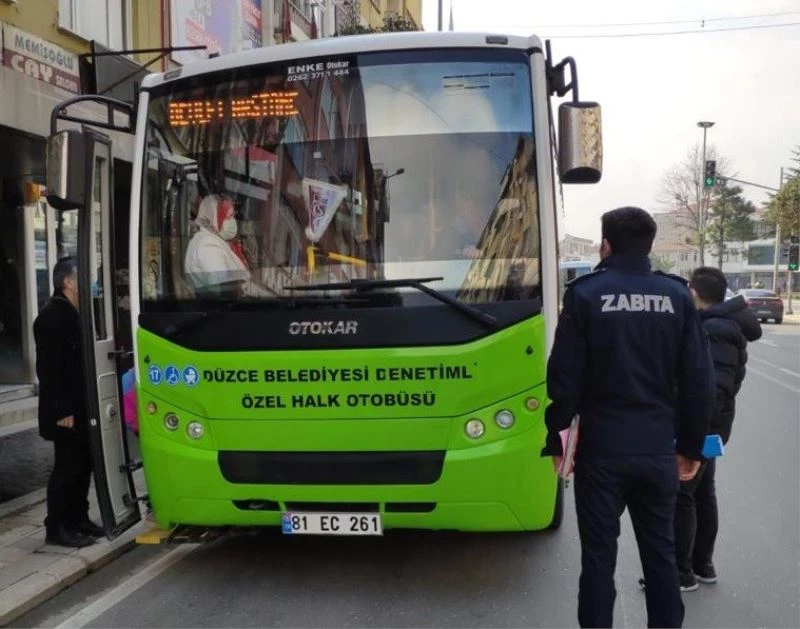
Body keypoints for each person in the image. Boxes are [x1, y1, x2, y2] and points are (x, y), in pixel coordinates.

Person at [542, 207, 715, 628]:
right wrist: (691, 447)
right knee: (661, 555)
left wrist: (557, 441)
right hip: (658, 451)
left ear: (605, 244)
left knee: (599, 558)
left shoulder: (584, 295)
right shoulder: (677, 296)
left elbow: (564, 379)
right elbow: (698, 380)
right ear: (651, 245)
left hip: (601, 454)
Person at [672, 267, 762, 590]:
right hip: (712, 425)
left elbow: (714, 387)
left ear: (694, 293)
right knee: (702, 491)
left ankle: (682, 572)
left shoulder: (715, 330)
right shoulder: (718, 325)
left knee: (683, 494)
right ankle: (702, 565)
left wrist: (692, 434)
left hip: (704, 425)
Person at [34, 257, 104, 548]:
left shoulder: (77, 312)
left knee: (84, 464)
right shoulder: (51, 317)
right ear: (68, 282)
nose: (91, 282)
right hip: (64, 410)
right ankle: (57, 527)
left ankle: (78, 519)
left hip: (81, 405)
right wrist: (62, 409)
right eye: (84, 276)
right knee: (66, 467)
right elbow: (48, 370)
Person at [184, 194, 252, 294]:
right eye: (229, 216)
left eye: (233, 216)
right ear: (214, 218)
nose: (233, 221)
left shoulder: (216, 240)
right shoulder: (207, 245)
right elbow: (222, 289)